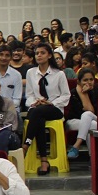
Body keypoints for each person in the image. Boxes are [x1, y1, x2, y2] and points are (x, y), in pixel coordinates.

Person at [23, 43, 71, 176]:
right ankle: (44, 161)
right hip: (37, 108)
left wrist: (51, 103)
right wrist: (34, 102)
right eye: (37, 53)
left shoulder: (59, 74)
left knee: (37, 113)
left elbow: (66, 95)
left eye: (42, 53)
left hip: (55, 109)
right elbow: (29, 95)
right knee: (38, 116)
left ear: (49, 55)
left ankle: (26, 145)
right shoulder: (31, 73)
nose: (39, 55)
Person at [65, 67, 98, 158]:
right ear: (79, 82)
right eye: (85, 80)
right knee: (92, 124)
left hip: (94, 118)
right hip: (74, 120)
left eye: (91, 79)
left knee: (87, 115)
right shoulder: (72, 93)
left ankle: (76, 145)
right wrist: (83, 94)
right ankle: (93, 158)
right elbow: (79, 113)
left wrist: (85, 94)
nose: (88, 82)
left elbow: (92, 111)